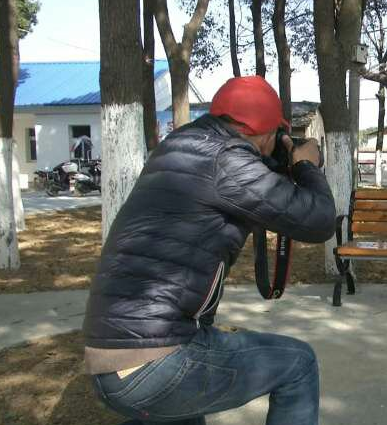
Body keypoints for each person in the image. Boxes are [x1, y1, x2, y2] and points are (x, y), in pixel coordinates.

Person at [82, 76, 335, 425]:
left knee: (185, 412)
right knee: (298, 364)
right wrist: (305, 165)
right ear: (266, 133)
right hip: (157, 361)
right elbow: (319, 221)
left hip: (112, 363)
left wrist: (279, 160)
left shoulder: (179, 146)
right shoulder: (227, 161)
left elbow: (253, 182)